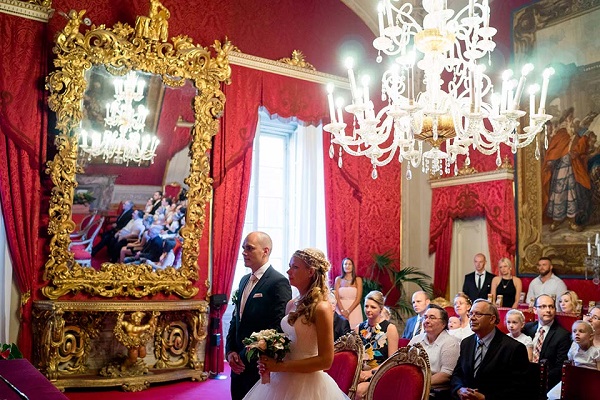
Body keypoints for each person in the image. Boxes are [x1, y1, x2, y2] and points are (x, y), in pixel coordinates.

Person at [243, 248, 349, 400]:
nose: (288, 271)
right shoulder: (291, 304)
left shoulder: (321, 307)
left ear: (310, 272)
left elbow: (326, 361)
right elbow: (289, 344)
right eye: (289, 266)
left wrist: (280, 367)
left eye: (295, 267)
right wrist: (270, 356)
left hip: (309, 385)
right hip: (282, 379)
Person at [226, 232, 292, 400]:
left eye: (249, 248)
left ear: (265, 251)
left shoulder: (278, 282)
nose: (243, 252)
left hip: (258, 365)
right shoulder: (243, 280)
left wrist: (243, 356)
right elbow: (236, 319)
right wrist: (230, 351)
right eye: (243, 248)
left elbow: (278, 326)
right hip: (238, 365)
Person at [450, 299, 532, 400]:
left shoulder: (513, 348)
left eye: (478, 314)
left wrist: (485, 398)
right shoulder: (466, 343)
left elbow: (519, 388)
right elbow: (457, 374)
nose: (472, 318)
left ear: (492, 319)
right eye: (470, 314)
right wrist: (459, 389)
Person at [543, 107, 592, 232]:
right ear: (565, 119)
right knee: (559, 194)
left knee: (572, 194)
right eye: (570, 117)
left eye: (572, 116)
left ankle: (572, 221)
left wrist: (581, 141)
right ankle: (557, 220)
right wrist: (551, 161)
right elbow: (554, 151)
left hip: (573, 169)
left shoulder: (574, 134)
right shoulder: (561, 134)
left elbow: (579, 150)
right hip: (560, 169)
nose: (571, 119)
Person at [355, 290, 399, 400]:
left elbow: (392, 361)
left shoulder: (390, 329)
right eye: (366, 306)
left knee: (359, 391)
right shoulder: (358, 328)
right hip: (359, 374)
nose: (368, 310)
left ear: (381, 308)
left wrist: (370, 373)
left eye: (373, 307)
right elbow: (354, 356)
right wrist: (358, 372)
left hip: (379, 374)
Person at [524, 294, 571, 388]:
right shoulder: (527, 328)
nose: (548, 310)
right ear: (534, 310)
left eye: (551, 307)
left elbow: (560, 368)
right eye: (543, 307)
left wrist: (539, 379)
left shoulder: (563, 335)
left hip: (545, 382)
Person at [409, 304, 460, 388]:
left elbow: (446, 374)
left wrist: (419, 385)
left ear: (443, 323)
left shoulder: (450, 343)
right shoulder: (416, 339)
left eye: (432, 318)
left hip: (433, 391)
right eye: (425, 317)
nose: (427, 321)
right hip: (411, 384)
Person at [546, 320, 600, 400]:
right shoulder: (573, 349)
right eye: (574, 331)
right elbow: (572, 366)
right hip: (575, 379)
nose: (577, 333)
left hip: (590, 382)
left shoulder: (596, 352)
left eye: (581, 331)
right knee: (551, 395)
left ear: (591, 336)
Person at [334, 258, 363, 329]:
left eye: (349, 264)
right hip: (340, 310)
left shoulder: (358, 279)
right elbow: (336, 297)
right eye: (345, 264)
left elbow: (358, 298)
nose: (347, 266)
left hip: (354, 309)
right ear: (342, 266)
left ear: (353, 266)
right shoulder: (338, 279)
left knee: (355, 333)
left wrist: (348, 311)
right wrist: (342, 311)